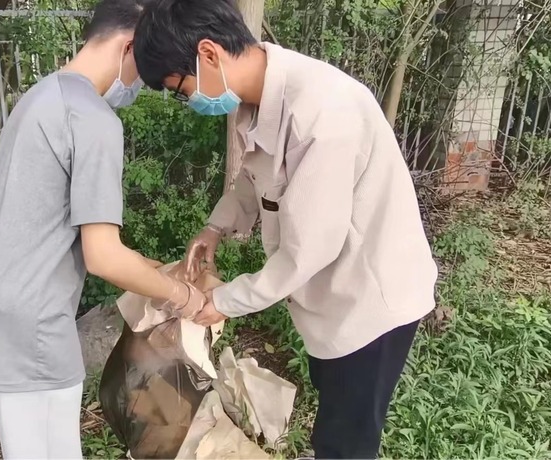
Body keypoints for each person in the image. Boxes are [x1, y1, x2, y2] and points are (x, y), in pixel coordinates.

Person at [132, 0, 439, 458]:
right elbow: (254, 177)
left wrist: (222, 301)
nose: (189, 101)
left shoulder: (321, 115)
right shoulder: (258, 100)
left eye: (181, 89)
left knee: (347, 441)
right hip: (331, 297)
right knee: (333, 408)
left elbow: (309, 252)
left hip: (371, 303)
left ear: (209, 53)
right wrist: (215, 227)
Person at [0, 0, 205, 458]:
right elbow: (102, 256)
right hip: (32, 324)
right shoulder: (92, 119)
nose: (143, 84)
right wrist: (185, 297)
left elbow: (49, 224)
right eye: (147, 68)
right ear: (129, 46)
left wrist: (149, 267)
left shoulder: (42, 96)